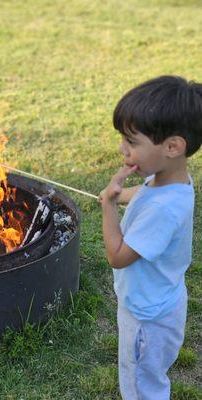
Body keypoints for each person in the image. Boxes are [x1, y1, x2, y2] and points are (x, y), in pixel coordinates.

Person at [98, 75, 202, 400]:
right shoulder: (171, 180)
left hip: (147, 316)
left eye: (131, 141)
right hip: (157, 299)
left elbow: (117, 255)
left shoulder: (163, 212)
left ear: (172, 146)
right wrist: (122, 194)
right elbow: (143, 194)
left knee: (142, 386)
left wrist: (109, 206)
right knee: (146, 376)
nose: (122, 149)